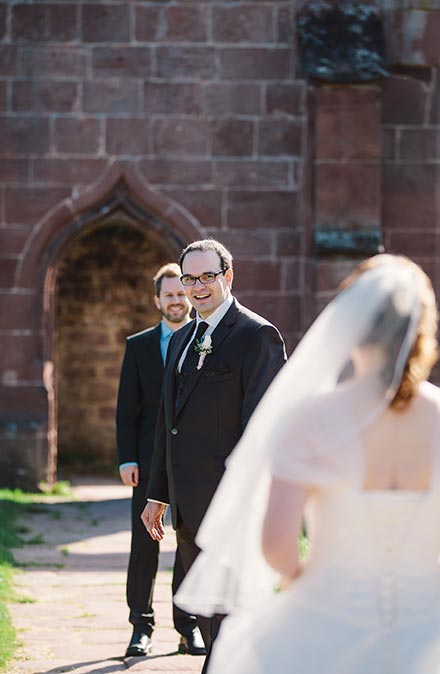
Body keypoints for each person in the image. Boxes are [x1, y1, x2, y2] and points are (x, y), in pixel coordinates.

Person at [173, 254, 440, 674]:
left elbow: (277, 542)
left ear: (348, 328)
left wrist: (300, 581)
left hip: (331, 615)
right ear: (421, 331)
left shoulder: (314, 418)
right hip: (429, 624)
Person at [141, 239, 286, 669]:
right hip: (186, 504)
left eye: (207, 276)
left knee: (229, 611)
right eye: (189, 278)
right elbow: (169, 421)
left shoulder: (256, 335)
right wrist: (157, 494)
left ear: (228, 276)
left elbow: (263, 426)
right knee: (206, 608)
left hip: (231, 503)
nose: (197, 287)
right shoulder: (184, 336)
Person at [115, 263, 205, 657]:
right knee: (144, 545)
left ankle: (188, 627)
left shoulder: (205, 339)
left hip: (189, 461)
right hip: (148, 462)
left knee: (188, 543)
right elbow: (126, 410)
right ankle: (141, 626)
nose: (176, 300)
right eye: (168, 294)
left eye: (180, 293)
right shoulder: (138, 346)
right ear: (157, 300)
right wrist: (126, 458)